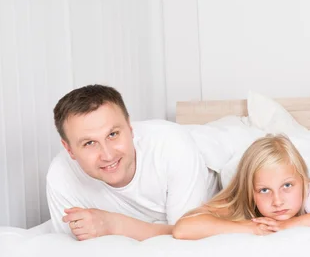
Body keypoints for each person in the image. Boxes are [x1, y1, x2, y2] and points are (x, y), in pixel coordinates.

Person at [47, 84, 217, 240]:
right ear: (68, 149)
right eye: (89, 143)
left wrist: (114, 224)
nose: (107, 155)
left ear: (129, 127)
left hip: (219, 149)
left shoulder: (173, 146)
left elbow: (187, 234)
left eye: (113, 134)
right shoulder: (61, 174)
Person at [172, 134, 310, 240]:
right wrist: (250, 228)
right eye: (264, 190)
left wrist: (293, 223)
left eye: (287, 186)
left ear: (300, 182)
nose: (277, 201)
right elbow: (183, 228)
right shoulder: (248, 202)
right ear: (251, 191)